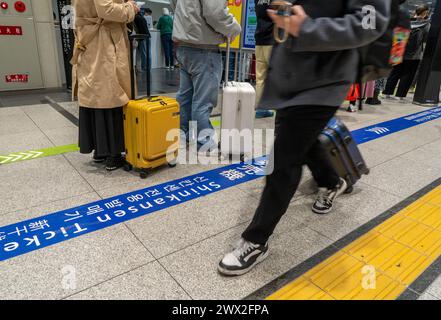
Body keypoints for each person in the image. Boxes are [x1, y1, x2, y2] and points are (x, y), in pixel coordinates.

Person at [218, 0, 391, 276]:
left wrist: (307, 27)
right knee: (303, 143)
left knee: (283, 160)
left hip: (324, 80)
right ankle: (332, 181)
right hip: (288, 77)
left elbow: (368, 24)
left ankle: (256, 240)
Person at [71, 0, 139, 171]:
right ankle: (113, 154)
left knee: (95, 93)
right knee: (110, 93)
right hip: (103, 39)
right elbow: (106, 9)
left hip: (89, 37)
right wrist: (130, 7)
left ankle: (100, 150)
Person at [170, 0, 241, 153]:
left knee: (185, 97)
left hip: (183, 46)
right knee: (203, 101)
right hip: (204, 48)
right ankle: (205, 142)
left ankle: (183, 135)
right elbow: (215, 13)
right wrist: (234, 29)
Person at [383, 5, 430, 102]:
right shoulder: (426, 25)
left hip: (399, 52)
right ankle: (400, 95)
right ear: (425, 13)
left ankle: (387, 92)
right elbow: (425, 39)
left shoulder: (406, 20)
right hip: (414, 55)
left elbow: (397, 34)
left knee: (395, 72)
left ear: (415, 12)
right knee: (408, 74)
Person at [254, 0, 275, 119]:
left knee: (260, 77)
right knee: (275, 75)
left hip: (259, 39)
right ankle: (274, 104)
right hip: (271, 41)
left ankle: (261, 108)